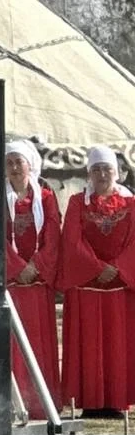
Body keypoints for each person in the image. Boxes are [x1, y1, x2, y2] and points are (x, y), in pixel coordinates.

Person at [57, 145, 135, 418]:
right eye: (96, 170)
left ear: (118, 173)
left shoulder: (132, 204)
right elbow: (72, 239)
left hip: (119, 286)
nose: (102, 175)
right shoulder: (78, 202)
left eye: (107, 169)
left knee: (117, 345)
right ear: (89, 174)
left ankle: (116, 400)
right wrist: (95, 267)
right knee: (87, 346)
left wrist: (118, 268)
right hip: (87, 285)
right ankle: (89, 402)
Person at [5, 140, 62, 419]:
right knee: (14, 345)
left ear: (30, 165)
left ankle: (42, 404)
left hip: (38, 285)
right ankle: (18, 404)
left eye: (19, 162)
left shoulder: (47, 198)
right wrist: (16, 268)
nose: (15, 168)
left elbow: (53, 236)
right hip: (13, 287)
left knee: (39, 343)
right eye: (10, 163)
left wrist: (36, 266)